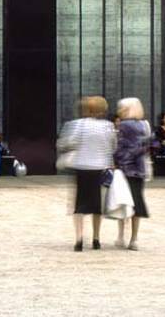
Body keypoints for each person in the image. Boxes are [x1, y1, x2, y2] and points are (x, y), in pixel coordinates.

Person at [57, 95, 117, 252]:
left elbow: (65, 143)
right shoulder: (108, 126)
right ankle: (96, 239)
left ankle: (79, 238)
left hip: (82, 167)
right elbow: (113, 146)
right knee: (97, 205)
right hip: (101, 168)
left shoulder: (76, 125)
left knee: (79, 205)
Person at [112, 98, 154, 251]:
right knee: (137, 202)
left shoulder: (123, 125)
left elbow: (120, 146)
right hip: (140, 169)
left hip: (125, 168)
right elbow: (150, 144)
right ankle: (134, 238)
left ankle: (121, 235)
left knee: (123, 201)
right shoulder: (145, 124)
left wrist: (115, 160)